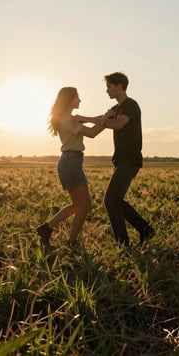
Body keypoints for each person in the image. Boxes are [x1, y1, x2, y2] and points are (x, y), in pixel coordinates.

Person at [36, 87, 110, 248]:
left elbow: (94, 120)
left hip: (69, 161)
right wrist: (108, 117)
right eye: (78, 97)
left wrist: (105, 117)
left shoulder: (68, 118)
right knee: (85, 205)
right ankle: (72, 242)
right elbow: (92, 133)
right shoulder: (69, 120)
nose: (80, 100)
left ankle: (46, 229)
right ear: (70, 100)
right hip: (71, 162)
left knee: (77, 204)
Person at [102, 72, 154, 247]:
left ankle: (123, 243)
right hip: (120, 161)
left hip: (130, 160)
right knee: (114, 200)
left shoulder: (130, 105)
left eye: (109, 86)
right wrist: (81, 120)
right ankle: (145, 230)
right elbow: (100, 120)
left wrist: (101, 121)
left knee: (111, 201)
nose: (107, 90)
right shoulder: (116, 109)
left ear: (119, 86)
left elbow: (118, 124)